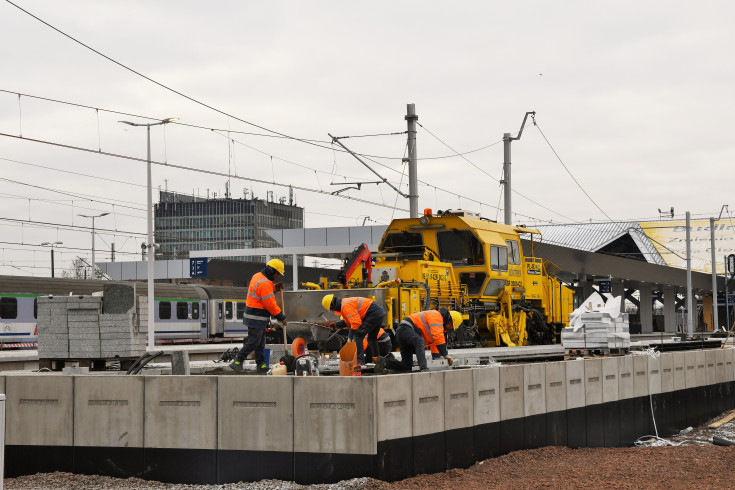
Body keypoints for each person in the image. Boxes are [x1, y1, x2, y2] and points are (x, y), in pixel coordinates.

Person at [230, 259, 287, 373]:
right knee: (254, 342)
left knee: (260, 343)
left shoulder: (258, 276)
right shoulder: (265, 283)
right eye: (277, 273)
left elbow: (262, 292)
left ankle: (260, 365)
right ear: (271, 271)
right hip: (256, 317)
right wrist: (281, 316)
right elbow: (269, 304)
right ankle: (237, 361)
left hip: (255, 316)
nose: (277, 276)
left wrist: (275, 288)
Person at [376, 308, 462, 373]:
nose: (450, 328)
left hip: (404, 334)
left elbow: (435, 342)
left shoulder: (440, 327)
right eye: (451, 325)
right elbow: (438, 336)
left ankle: (384, 362)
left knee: (407, 365)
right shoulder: (437, 316)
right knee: (419, 341)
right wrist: (445, 355)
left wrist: (437, 358)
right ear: (449, 319)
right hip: (406, 329)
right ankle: (423, 368)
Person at [322, 294, 386, 365]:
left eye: (331, 309)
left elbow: (356, 323)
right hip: (378, 313)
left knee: (358, 335)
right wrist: (336, 325)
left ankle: (360, 362)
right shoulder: (344, 304)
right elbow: (348, 321)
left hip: (373, 314)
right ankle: (377, 360)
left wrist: (350, 336)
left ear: (332, 306)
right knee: (372, 338)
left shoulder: (345, 306)